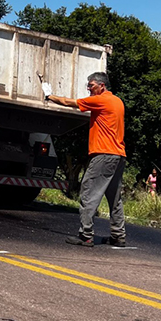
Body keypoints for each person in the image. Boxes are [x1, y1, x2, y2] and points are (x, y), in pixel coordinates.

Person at [46, 72, 127, 247]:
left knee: (88, 193)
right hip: (118, 155)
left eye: (91, 85)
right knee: (114, 197)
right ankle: (118, 236)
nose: (89, 89)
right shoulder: (118, 101)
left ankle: (86, 235)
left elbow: (69, 103)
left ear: (101, 86)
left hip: (103, 155)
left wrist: (49, 96)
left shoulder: (101, 100)